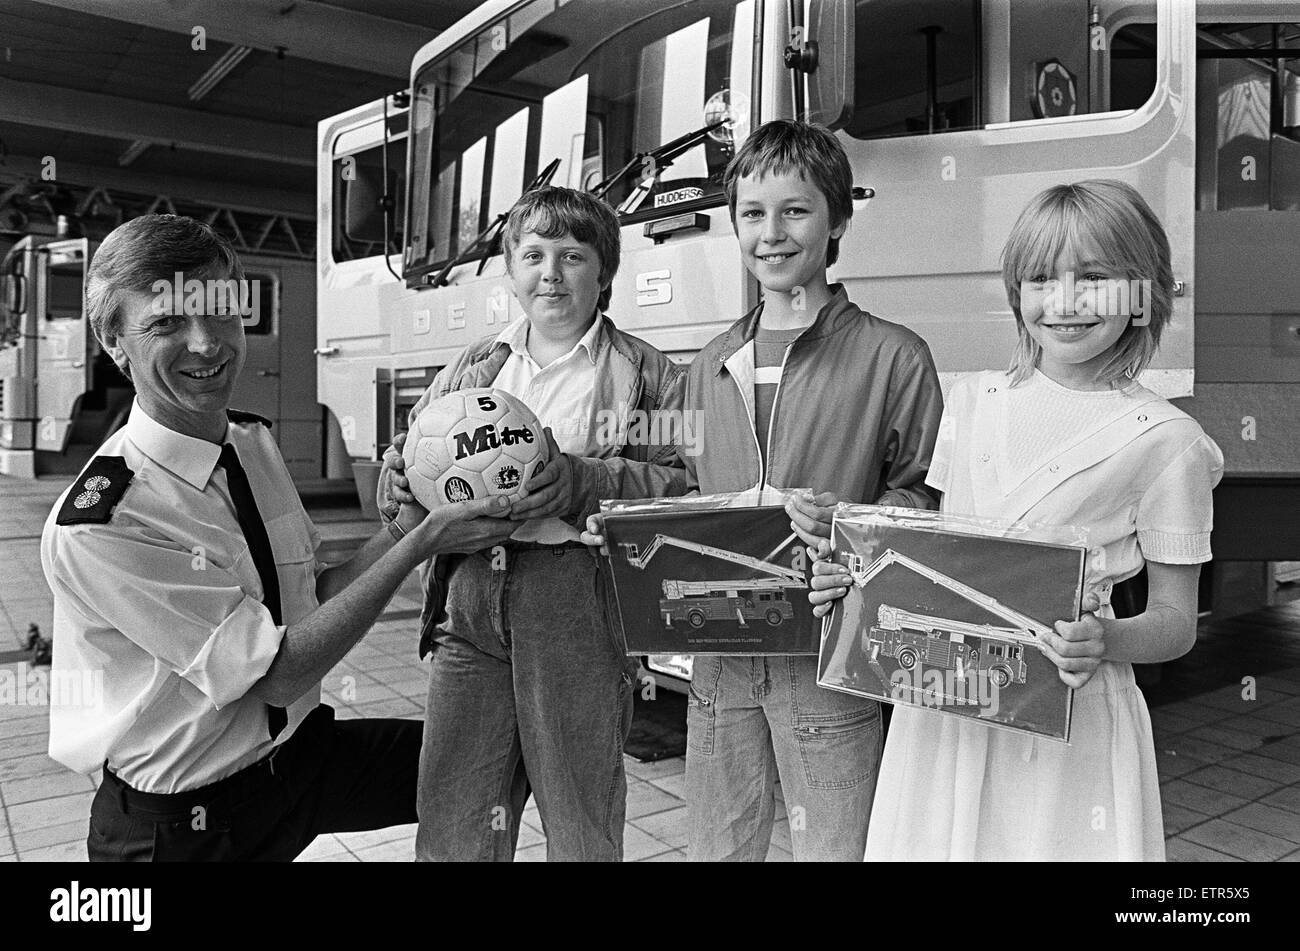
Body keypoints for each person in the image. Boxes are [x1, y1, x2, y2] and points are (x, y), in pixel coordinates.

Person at [41, 214, 518, 862]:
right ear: (113, 340)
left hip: (296, 762)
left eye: (220, 312)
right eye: (165, 323)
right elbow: (277, 669)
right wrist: (426, 540)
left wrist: (404, 522)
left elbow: (313, 595)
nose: (207, 344)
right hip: (185, 825)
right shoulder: (109, 519)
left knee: (492, 762)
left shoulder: (250, 441)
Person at [812, 180, 1224, 861]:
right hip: (944, 704)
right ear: (1016, 293)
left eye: (1093, 277)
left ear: (1144, 293)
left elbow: (1176, 623)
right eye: (1039, 278)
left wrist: (1105, 637)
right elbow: (942, 560)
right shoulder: (974, 400)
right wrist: (855, 580)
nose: (1063, 302)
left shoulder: (1168, 441)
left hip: (1068, 720)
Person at [590, 120, 944, 860]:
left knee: (836, 848)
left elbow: (926, 499)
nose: (771, 233)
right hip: (718, 652)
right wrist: (618, 519)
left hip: (829, 649)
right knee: (720, 847)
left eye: (796, 210)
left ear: (839, 218)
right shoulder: (709, 362)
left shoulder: (895, 356)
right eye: (753, 214)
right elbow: (682, 485)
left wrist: (845, 525)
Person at [379, 186, 688, 861]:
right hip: (469, 598)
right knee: (455, 814)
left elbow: (682, 489)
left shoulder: (649, 374)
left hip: (575, 599)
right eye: (533, 254)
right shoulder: (474, 365)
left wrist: (585, 481)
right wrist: (395, 480)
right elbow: (409, 464)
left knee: (580, 819)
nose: (551, 272)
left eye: (573, 255)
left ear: (603, 273)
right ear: (512, 271)